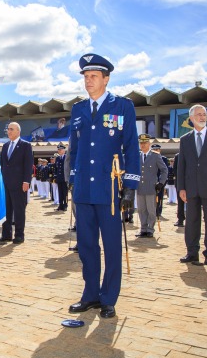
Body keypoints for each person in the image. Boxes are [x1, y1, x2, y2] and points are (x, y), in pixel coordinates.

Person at [68, 53, 139, 319]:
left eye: (94, 76)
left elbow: (131, 146)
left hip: (110, 189)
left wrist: (130, 186)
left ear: (106, 79)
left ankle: (109, 297)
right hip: (85, 188)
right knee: (86, 245)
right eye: (86, 77)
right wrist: (72, 181)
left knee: (111, 245)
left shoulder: (122, 107)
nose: (88, 81)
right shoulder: (78, 110)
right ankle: (90, 294)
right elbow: (73, 150)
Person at [177, 104, 207, 265]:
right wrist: (181, 187)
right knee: (191, 221)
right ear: (191, 118)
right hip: (191, 188)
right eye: (199, 114)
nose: (202, 117)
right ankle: (192, 252)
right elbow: (181, 165)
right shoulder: (185, 139)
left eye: (204, 114)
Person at [0, 121, 33, 244]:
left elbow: (28, 165)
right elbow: (3, 165)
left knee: (19, 210)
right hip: (5, 183)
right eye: (8, 129)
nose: (9, 131)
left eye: (11, 129)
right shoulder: (5, 146)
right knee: (6, 210)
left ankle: (19, 235)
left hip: (19, 184)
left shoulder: (25, 145)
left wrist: (26, 181)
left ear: (18, 131)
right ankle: (6, 234)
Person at [136, 134, 168, 238]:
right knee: (141, 210)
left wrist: (161, 182)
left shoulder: (155, 156)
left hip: (151, 187)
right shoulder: (136, 156)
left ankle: (150, 229)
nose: (143, 145)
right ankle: (143, 229)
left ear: (149, 144)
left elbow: (164, 170)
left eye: (145, 143)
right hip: (140, 187)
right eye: (141, 143)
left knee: (151, 210)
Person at [151, 144, 168, 217]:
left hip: (160, 181)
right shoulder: (149, 158)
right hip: (151, 181)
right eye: (154, 149)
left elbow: (165, 171)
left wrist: (162, 182)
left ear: (159, 150)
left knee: (160, 197)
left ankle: (158, 211)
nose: (155, 151)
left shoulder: (163, 158)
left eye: (156, 149)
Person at [173, 152, 185, 227]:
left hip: (191, 183)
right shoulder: (178, 156)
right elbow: (175, 170)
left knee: (192, 203)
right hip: (180, 183)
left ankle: (192, 221)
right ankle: (180, 219)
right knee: (180, 202)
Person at [55, 144, 68, 211]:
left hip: (65, 178)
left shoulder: (66, 157)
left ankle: (65, 205)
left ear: (64, 150)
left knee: (65, 192)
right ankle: (60, 205)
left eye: (60, 150)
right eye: (58, 150)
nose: (59, 151)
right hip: (59, 178)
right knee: (60, 192)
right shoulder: (57, 158)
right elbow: (56, 169)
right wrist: (55, 177)